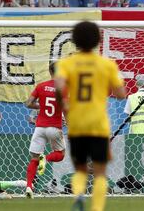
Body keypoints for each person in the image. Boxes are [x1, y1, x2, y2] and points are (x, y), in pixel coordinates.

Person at [55, 22, 126, 211]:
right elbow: (121, 94)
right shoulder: (107, 64)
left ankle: (78, 196)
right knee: (100, 172)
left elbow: (59, 88)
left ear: (75, 40)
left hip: (77, 124)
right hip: (98, 125)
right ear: (98, 40)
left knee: (80, 169)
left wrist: (66, 107)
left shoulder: (66, 63)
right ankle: (96, 208)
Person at [25, 62, 65, 199]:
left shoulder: (41, 86)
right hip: (54, 127)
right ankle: (46, 158)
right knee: (60, 154)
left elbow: (28, 103)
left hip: (40, 128)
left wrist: (40, 106)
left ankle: (29, 186)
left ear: (49, 71)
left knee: (34, 159)